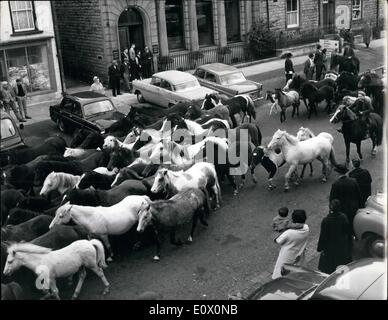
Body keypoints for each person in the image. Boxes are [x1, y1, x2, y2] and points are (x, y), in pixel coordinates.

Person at [317, 199, 353, 274]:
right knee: (341, 265)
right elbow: (347, 231)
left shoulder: (326, 220)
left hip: (330, 248)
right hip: (341, 246)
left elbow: (323, 236)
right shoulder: (343, 217)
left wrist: (320, 248)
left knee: (330, 267)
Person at [272, 210, 309, 279]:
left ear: (293, 219)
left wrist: (281, 228)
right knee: (297, 274)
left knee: (281, 274)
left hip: (287, 256)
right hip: (299, 254)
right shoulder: (306, 228)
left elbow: (278, 240)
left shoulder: (289, 233)